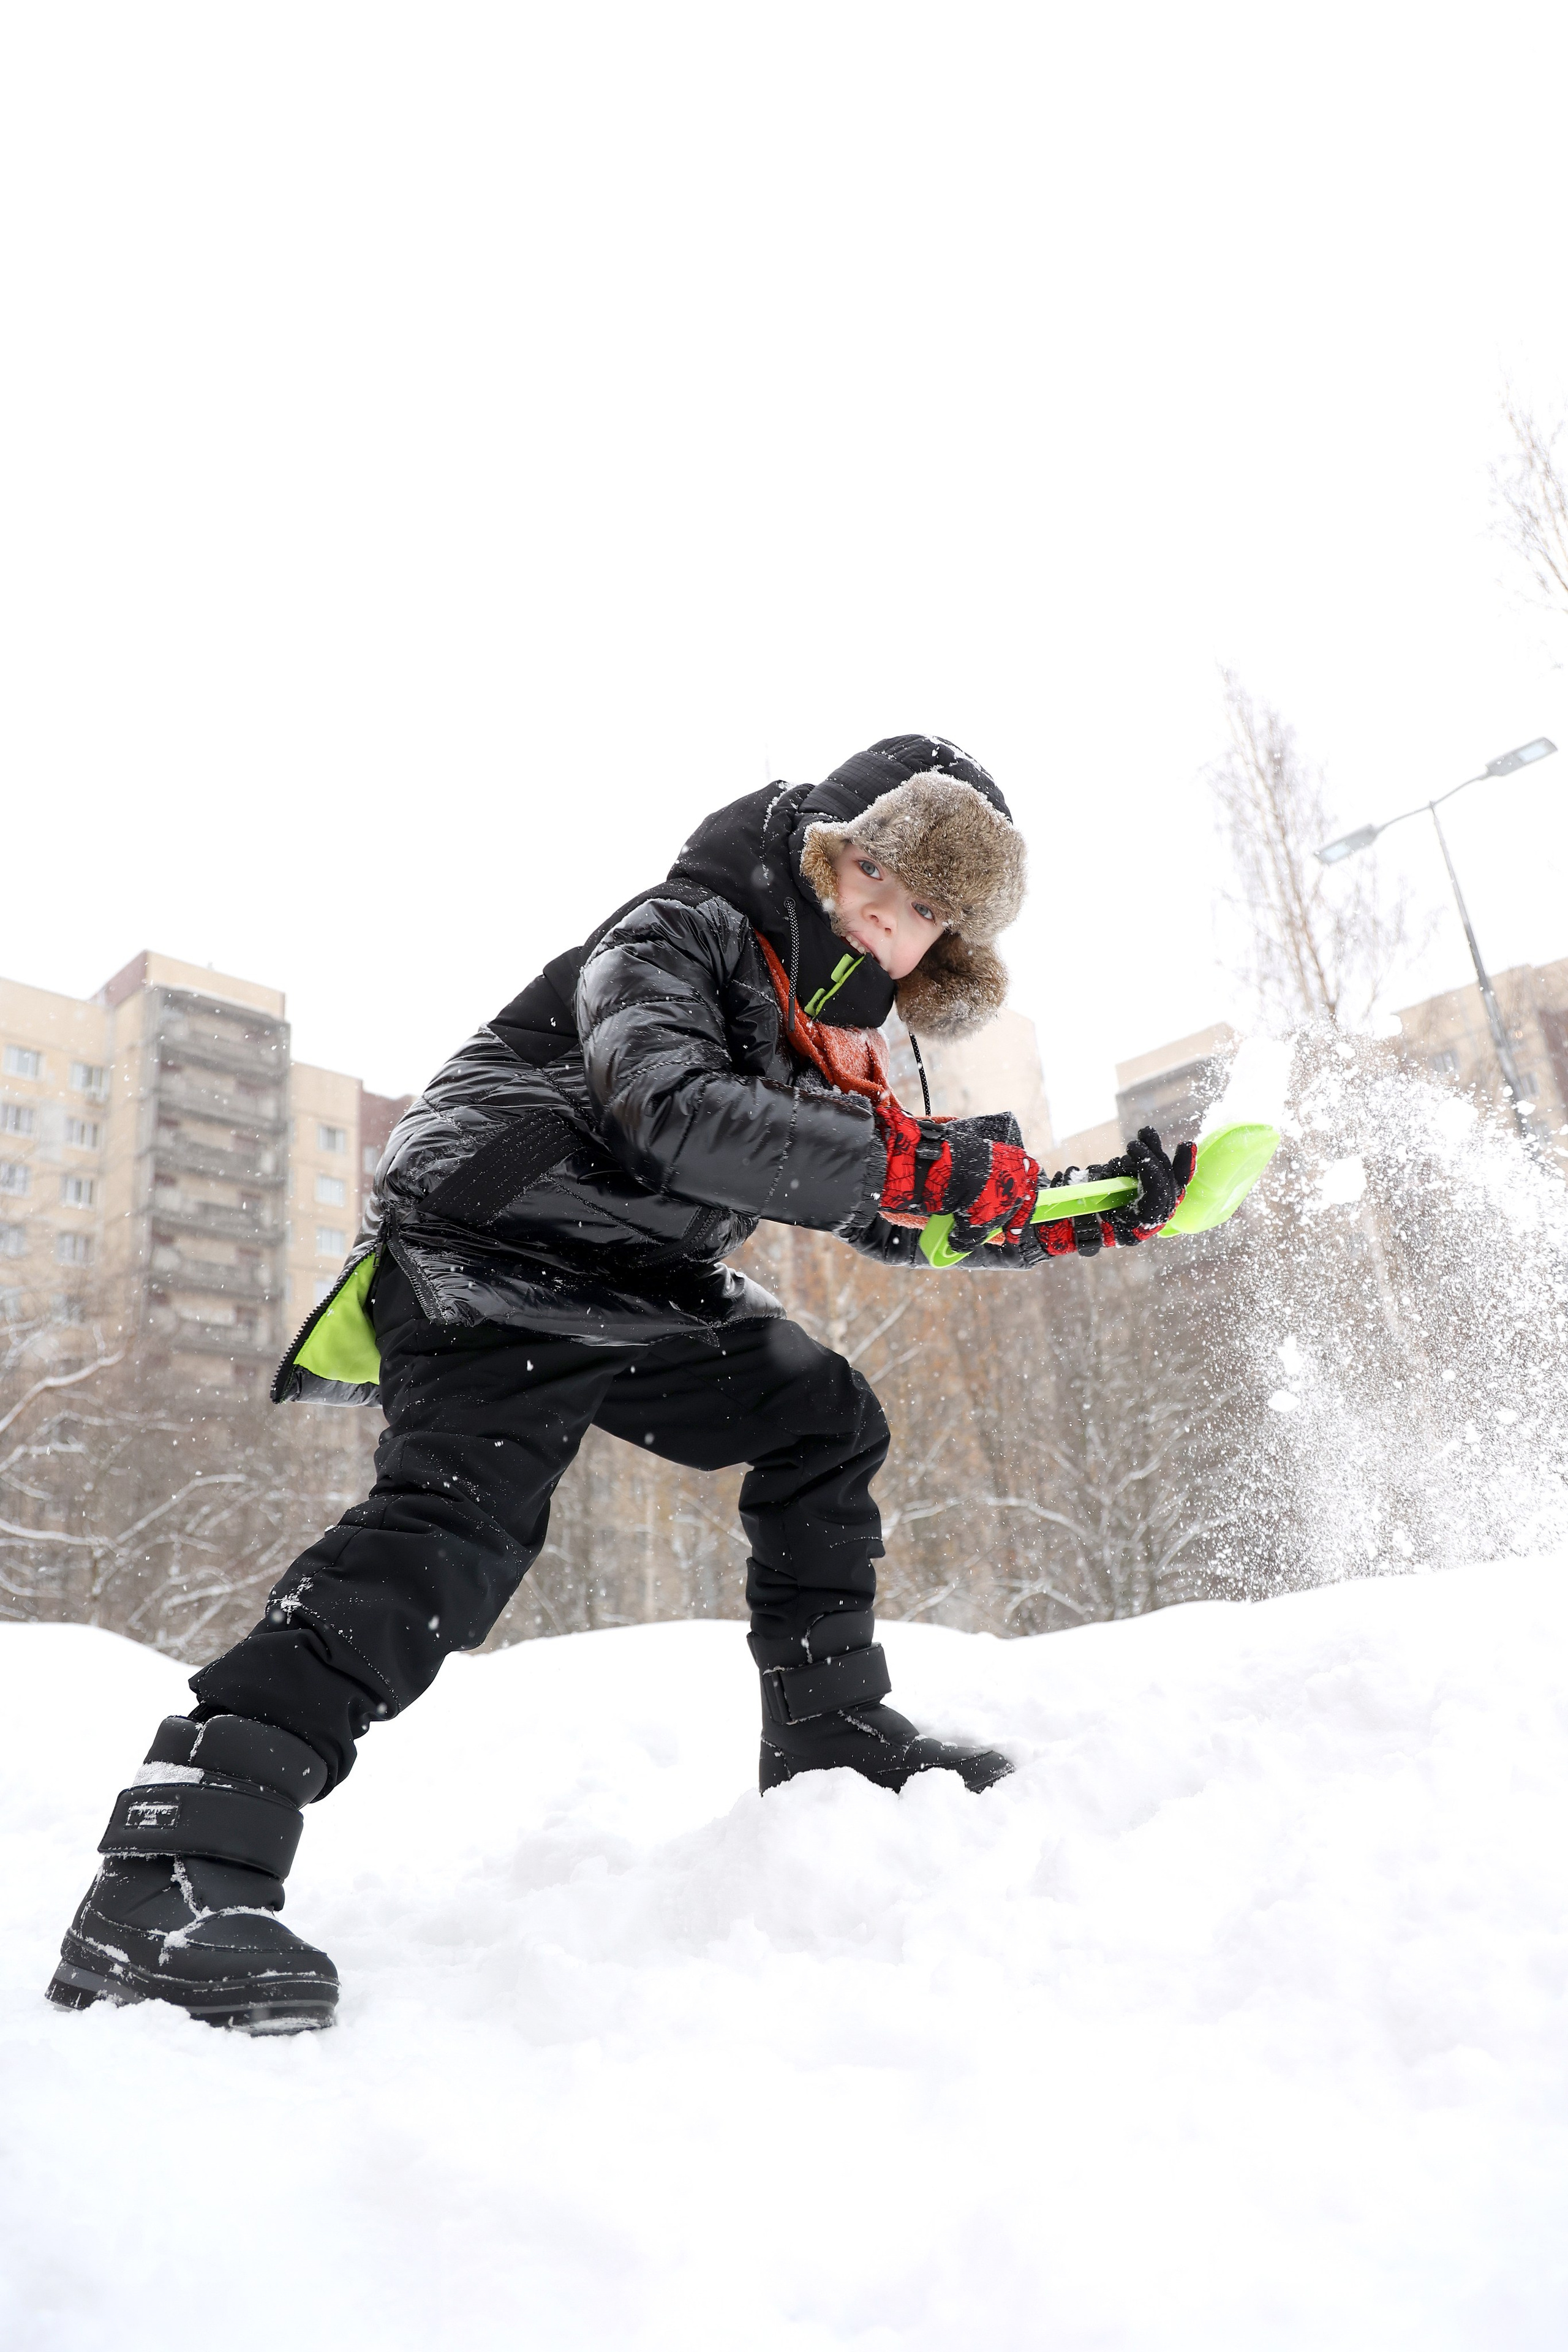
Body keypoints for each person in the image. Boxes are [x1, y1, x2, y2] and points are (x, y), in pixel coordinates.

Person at [48, 735, 1193, 2032]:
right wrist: (923, 1169)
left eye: (930, 908)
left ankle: (827, 1730)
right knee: (458, 1530)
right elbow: (671, 1109)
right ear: (829, 841)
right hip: (492, 1242)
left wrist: (1068, 1207)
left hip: (632, 1281)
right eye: (880, 866)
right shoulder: (682, 929)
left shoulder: (830, 1035)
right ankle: (164, 1874)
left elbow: (883, 1203)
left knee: (820, 1418)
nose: (892, 912)